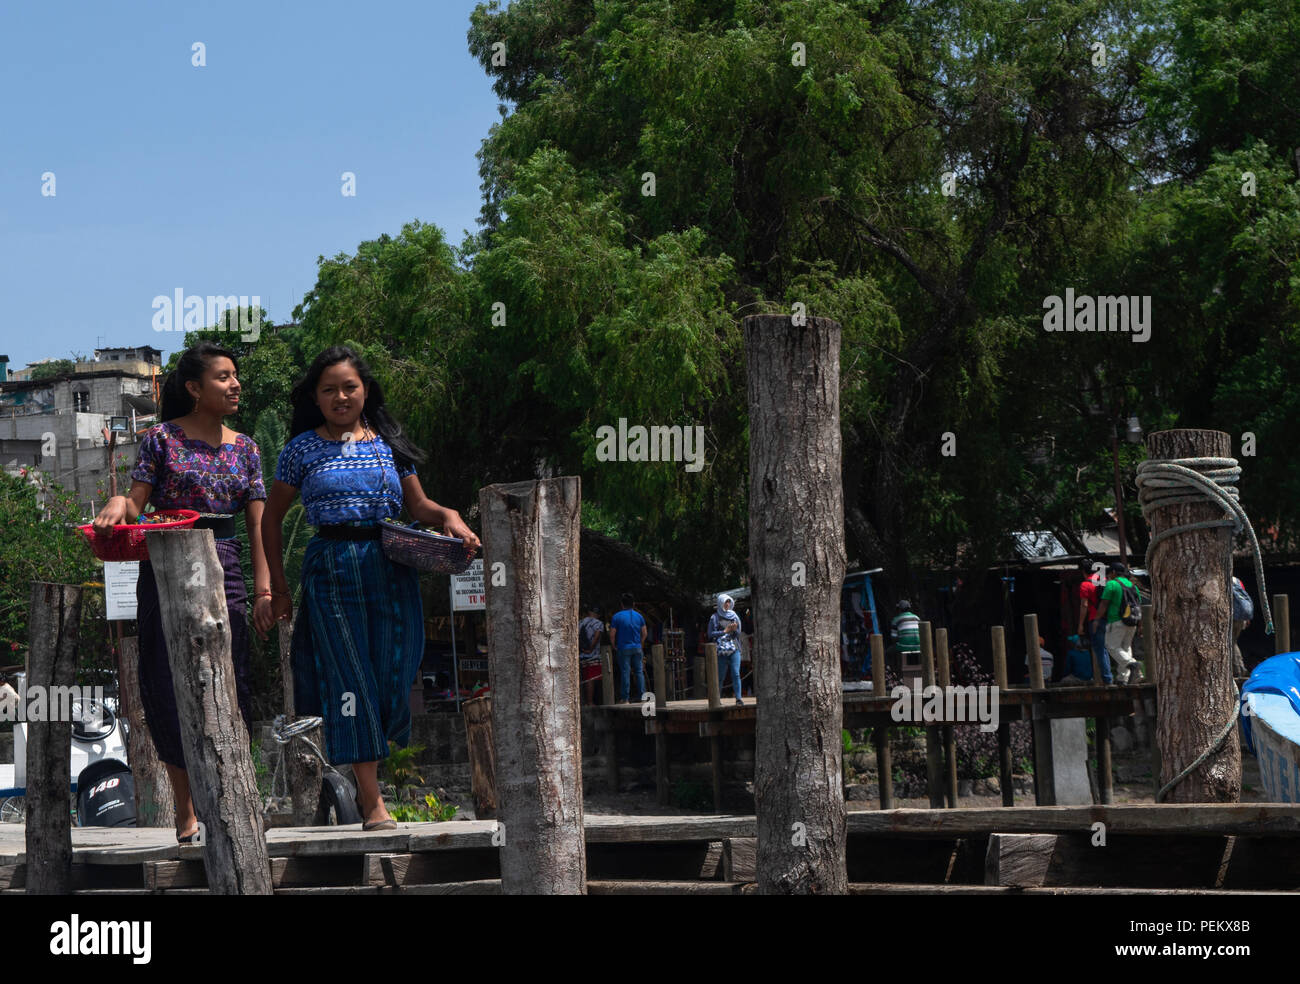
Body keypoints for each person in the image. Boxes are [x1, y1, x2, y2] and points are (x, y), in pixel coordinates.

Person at [259, 346, 479, 831]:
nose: (340, 396)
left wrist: (450, 517)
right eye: (329, 389)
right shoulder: (300, 450)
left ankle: (371, 765)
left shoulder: (390, 444)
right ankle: (372, 801)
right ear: (315, 398)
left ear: (365, 391)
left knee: (396, 671)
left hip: (390, 565)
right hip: (332, 569)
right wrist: (278, 585)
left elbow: (419, 506)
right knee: (350, 681)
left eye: (349, 387)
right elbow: (271, 519)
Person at [92, 342, 267, 843]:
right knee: (166, 681)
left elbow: (256, 526)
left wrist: (263, 589)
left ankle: (234, 801)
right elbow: (135, 502)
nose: (235, 384)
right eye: (223, 377)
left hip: (225, 564)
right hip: (165, 564)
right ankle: (185, 810)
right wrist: (114, 503)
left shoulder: (248, 447)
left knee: (230, 682)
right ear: (194, 388)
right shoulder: (161, 440)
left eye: (236, 376)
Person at [1100, 562, 1141, 684]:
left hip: (1116, 620)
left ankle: (1132, 664)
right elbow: (1138, 604)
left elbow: (1104, 603)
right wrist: (1140, 624)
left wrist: (1097, 618)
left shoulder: (1112, 584)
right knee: (1125, 647)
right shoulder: (1134, 586)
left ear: (1113, 573)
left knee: (1111, 646)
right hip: (1132, 621)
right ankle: (1124, 677)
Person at [1077, 562, 1112, 684]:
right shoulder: (1105, 582)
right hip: (1109, 619)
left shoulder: (1085, 585)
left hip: (1095, 620)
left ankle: (1107, 679)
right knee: (1108, 648)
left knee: (1100, 650)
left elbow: (1084, 605)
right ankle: (1117, 675)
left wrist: (1080, 624)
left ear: (1083, 572)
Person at [609, 593, 647, 703]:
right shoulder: (639, 616)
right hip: (637, 647)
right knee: (639, 672)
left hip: (623, 648)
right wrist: (640, 643)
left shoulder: (616, 617)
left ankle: (625, 699)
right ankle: (643, 697)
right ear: (633, 604)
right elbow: (644, 633)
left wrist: (614, 645)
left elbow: (612, 634)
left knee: (625, 672)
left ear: (622, 604)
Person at [708, 593, 745, 705]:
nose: (727, 604)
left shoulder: (734, 616)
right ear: (720, 603)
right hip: (721, 651)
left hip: (734, 649)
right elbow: (710, 634)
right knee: (720, 676)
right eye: (725, 602)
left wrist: (734, 629)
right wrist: (724, 631)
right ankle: (717, 699)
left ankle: (738, 699)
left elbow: (738, 634)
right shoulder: (714, 617)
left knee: (736, 673)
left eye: (729, 602)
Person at [578, 605, 605, 704]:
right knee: (592, 679)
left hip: (581, 655)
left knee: (585, 678)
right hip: (593, 655)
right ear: (598, 614)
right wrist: (590, 649)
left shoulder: (579, 623)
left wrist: (582, 649)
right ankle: (591, 702)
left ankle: (586, 701)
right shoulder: (598, 623)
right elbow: (597, 636)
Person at [1231, 576, 1254, 677]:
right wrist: (1246, 618)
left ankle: (1238, 671)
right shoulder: (1237, 580)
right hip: (1241, 617)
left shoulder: (1223, 578)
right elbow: (1244, 598)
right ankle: (1240, 669)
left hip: (1231, 616)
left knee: (1230, 643)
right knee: (1233, 642)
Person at [890, 600, 921, 674]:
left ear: (899, 609)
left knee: (888, 652)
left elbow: (893, 638)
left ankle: (895, 673)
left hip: (904, 646)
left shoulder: (896, 619)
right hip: (918, 646)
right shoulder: (917, 618)